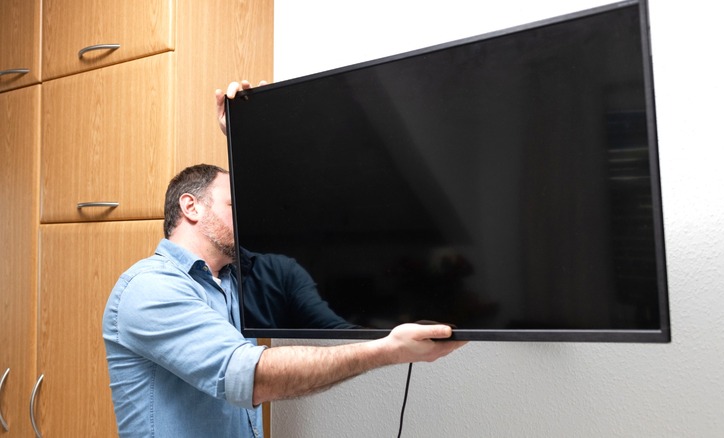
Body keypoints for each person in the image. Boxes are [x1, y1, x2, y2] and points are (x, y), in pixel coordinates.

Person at [103, 89, 465, 437]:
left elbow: (293, 209)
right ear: (191, 207)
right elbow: (251, 376)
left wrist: (251, 131)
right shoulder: (150, 288)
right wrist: (387, 351)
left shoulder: (234, 280)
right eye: (234, 207)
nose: (247, 219)